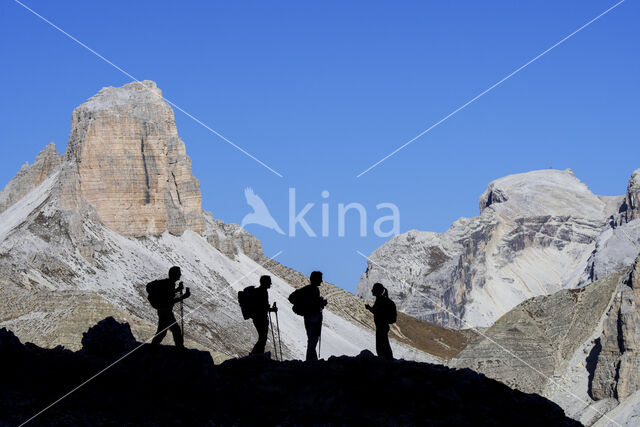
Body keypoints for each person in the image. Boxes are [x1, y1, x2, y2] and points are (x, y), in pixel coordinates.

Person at [289, 271, 327, 361]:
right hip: (314, 318)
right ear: (316, 279)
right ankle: (310, 362)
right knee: (313, 341)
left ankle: (311, 361)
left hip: (307, 317)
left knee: (311, 340)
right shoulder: (314, 290)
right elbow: (314, 304)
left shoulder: (306, 289)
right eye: (320, 278)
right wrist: (321, 303)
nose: (321, 281)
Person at [149, 266, 191, 349]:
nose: (180, 275)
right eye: (178, 273)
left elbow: (168, 295)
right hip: (166, 312)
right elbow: (169, 301)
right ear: (174, 274)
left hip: (162, 310)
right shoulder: (170, 284)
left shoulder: (168, 283)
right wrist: (184, 297)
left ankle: (152, 348)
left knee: (162, 332)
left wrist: (178, 289)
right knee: (175, 330)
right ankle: (180, 349)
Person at [365, 282, 394, 360]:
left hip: (382, 326)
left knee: (382, 345)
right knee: (383, 344)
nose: (372, 291)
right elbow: (377, 311)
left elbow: (378, 311)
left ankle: (387, 361)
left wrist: (370, 309)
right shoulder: (380, 300)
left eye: (373, 289)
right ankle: (388, 360)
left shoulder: (381, 301)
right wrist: (370, 309)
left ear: (377, 291)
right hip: (382, 326)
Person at [250, 275, 278, 355]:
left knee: (262, 337)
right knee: (263, 337)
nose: (270, 283)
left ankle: (257, 354)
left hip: (257, 318)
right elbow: (262, 307)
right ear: (265, 282)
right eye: (269, 282)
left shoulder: (260, 291)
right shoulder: (262, 292)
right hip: (261, 318)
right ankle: (256, 355)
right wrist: (272, 309)